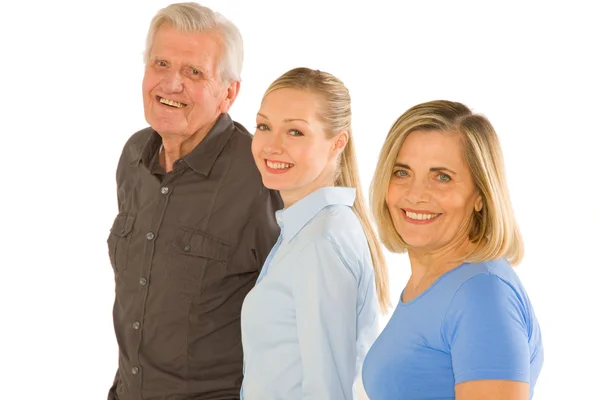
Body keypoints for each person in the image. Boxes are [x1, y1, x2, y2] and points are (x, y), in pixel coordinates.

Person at [106, 3, 282, 399]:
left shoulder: (260, 176)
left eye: (194, 72)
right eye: (161, 64)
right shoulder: (134, 156)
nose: (171, 84)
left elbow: (296, 320)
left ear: (229, 93)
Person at [362, 100, 544, 399]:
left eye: (442, 177)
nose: (415, 194)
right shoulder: (432, 281)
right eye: (402, 173)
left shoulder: (481, 295)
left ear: (481, 196)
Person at [239, 67, 391, 400]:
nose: (272, 145)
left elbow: (329, 390)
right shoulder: (305, 231)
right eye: (264, 126)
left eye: (295, 132)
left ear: (338, 142)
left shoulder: (322, 241)